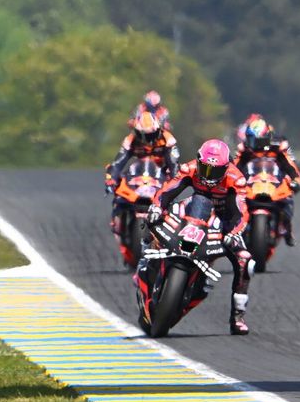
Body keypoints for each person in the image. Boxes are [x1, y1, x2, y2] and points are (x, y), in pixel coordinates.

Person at [145, 139, 255, 335]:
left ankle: (237, 315)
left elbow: (241, 213)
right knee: (152, 223)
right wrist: (156, 208)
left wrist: (233, 233)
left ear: (226, 166)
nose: (209, 175)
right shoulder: (189, 168)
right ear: (199, 161)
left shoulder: (236, 179)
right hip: (192, 212)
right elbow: (168, 191)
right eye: (206, 168)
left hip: (224, 222)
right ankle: (148, 263)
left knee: (245, 261)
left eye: (216, 170)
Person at [105, 111, 180, 264]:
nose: (147, 140)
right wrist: (111, 179)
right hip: (138, 178)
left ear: (158, 130)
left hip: (159, 178)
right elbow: (118, 163)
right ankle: (117, 223)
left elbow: (174, 166)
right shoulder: (130, 140)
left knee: (174, 206)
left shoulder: (168, 140)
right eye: (143, 135)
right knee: (118, 195)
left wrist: (174, 182)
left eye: (151, 135)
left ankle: (170, 239)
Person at [234, 115, 300, 246]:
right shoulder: (245, 150)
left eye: (258, 141)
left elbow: (290, 165)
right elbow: (234, 168)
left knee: (288, 198)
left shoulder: (277, 148)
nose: (255, 144)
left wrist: (296, 179)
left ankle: (286, 227)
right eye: (252, 140)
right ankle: (233, 230)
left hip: (273, 182)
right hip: (251, 183)